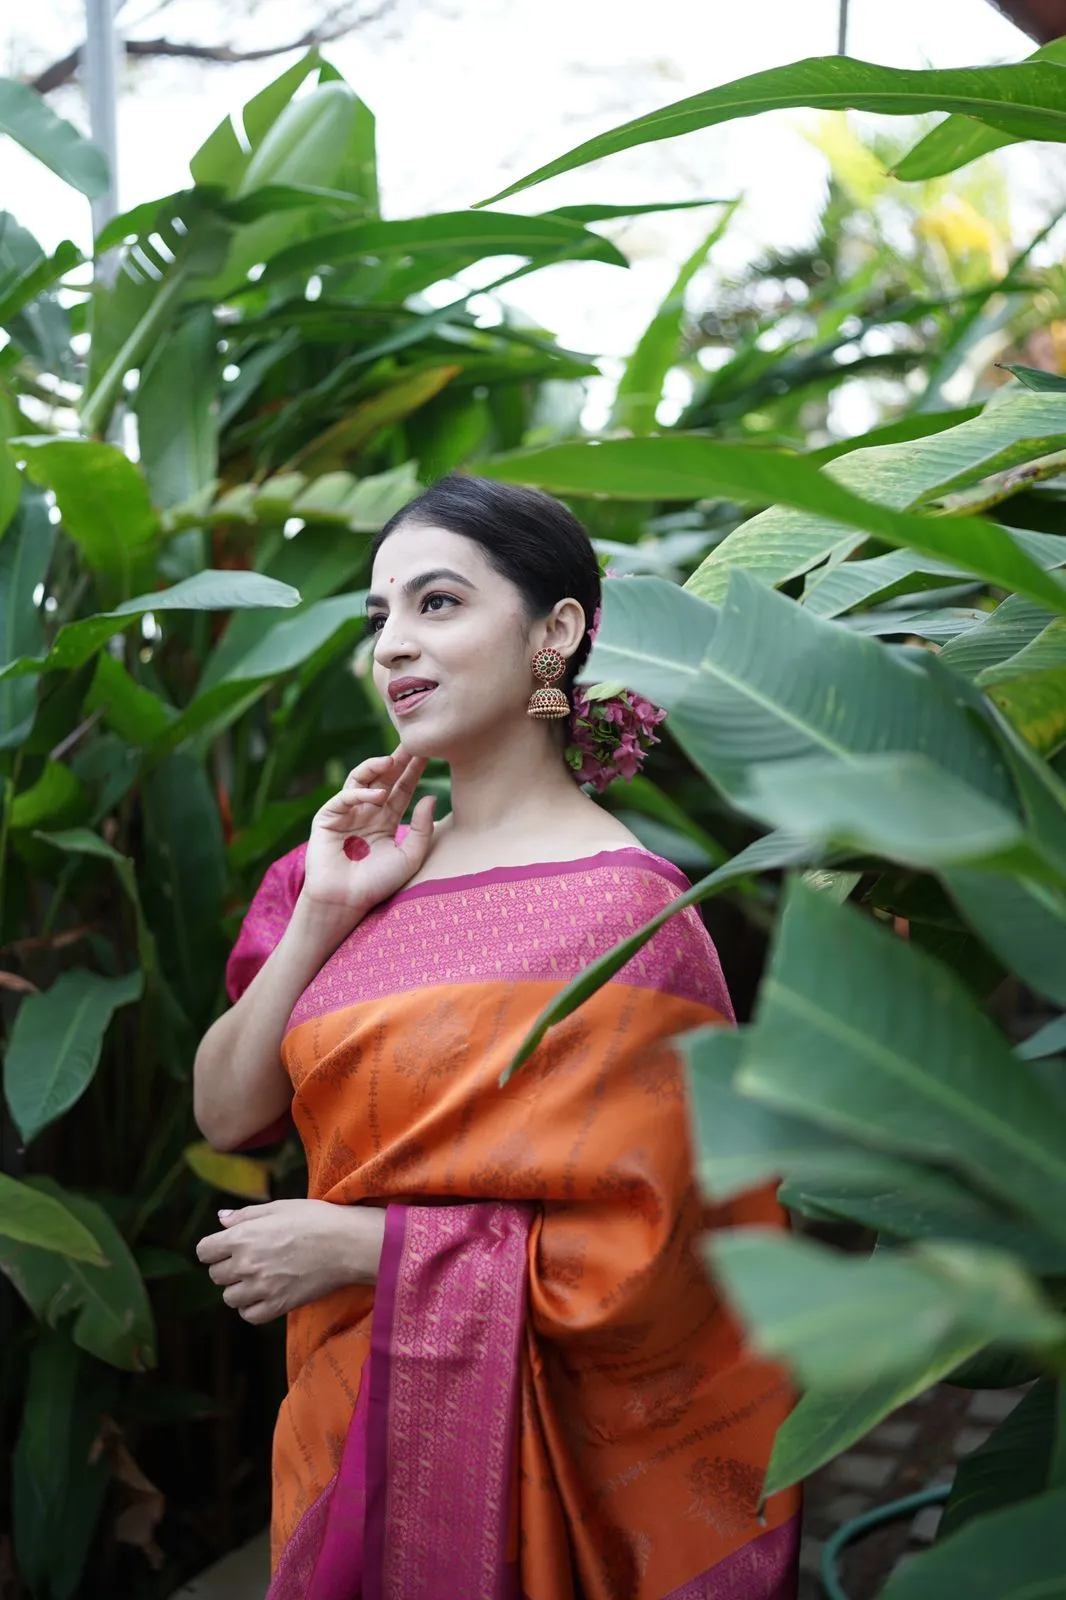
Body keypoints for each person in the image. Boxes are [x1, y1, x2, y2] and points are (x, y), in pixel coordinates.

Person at [193, 476, 800, 1600]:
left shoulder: (632, 915)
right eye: (380, 617)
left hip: (545, 1461)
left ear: (555, 633)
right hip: (336, 1418)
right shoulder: (343, 872)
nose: (395, 648)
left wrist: (367, 1249)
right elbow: (227, 1109)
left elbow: (667, 1258)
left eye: (437, 603)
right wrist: (324, 909)